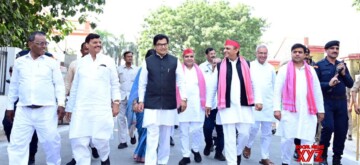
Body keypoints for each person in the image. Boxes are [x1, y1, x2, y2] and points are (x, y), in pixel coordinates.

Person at [6, 31, 65, 165]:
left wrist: (61, 103)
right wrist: (9, 107)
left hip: (47, 110)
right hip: (23, 110)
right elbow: (14, 86)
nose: (44, 46)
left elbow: (59, 85)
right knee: (17, 144)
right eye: (40, 43)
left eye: (46, 43)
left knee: (51, 143)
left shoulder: (51, 63)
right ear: (30, 44)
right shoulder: (19, 62)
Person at [65, 33, 120, 165]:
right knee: (79, 140)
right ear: (87, 45)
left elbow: (115, 83)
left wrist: (116, 102)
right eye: (95, 42)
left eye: (99, 42)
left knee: (100, 139)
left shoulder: (108, 61)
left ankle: (105, 158)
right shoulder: (81, 63)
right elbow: (75, 87)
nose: (98, 45)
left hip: (101, 107)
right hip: (81, 108)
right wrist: (69, 107)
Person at [206, 39, 261, 165]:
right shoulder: (220, 66)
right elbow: (213, 86)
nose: (225, 50)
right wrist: (209, 104)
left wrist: (258, 100)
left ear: (236, 50)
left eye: (228, 48)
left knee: (245, 134)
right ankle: (232, 162)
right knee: (229, 138)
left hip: (244, 106)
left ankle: (237, 153)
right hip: (227, 107)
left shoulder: (247, 64)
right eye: (224, 48)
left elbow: (254, 83)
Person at [137, 34, 187, 165]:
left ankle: (163, 162)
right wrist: (141, 100)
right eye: (160, 44)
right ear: (155, 46)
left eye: (165, 44)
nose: (163, 47)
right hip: (151, 104)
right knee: (152, 136)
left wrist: (184, 99)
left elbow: (181, 81)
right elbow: (142, 83)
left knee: (165, 137)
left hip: (169, 104)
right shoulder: (148, 61)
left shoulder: (175, 61)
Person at [274, 43, 325, 165]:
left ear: (305, 55)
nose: (297, 54)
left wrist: (321, 110)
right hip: (289, 111)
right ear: (291, 53)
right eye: (295, 51)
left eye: (300, 52)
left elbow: (317, 91)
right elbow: (277, 90)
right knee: (287, 139)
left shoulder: (311, 71)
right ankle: (285, 162)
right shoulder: (284, 70)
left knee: (308, 139)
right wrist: (276, 109)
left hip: (308, 111)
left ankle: (306, 163)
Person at [315, 40, 354, 165]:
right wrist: (328, 84)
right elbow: (314, 85)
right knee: (328, 128)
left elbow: (350, 83)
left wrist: (343, 73)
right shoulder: (319, 65)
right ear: (326, 50)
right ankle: (322, 156)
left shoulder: (342, 65)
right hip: (327, 101)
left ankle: (337, 159)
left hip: (341, 102)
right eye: (332, 48)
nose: (335, 50)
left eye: (337, 48)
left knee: (341, 131)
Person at [65, 42, 99, 165]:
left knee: (91, 129)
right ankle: (76, 157)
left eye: (88, 49)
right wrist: (65, 100)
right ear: (81, 51)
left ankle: (93, 146)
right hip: (76, 103)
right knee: (76, 131)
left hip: (92, 103)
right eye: (85, 49)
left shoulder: (99, 64)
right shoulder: (74, 64)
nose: (87, 51)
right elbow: (68, 82)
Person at [243, 45, 276, 165]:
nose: (263, 55)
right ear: (256, 53)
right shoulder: (249, 66)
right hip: (253, 104)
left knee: (267, 132)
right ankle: (248, 145)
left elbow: (274, 86)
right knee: (253, 129)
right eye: (260, 53)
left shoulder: (271, 68)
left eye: (265, 53)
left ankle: (264, 157)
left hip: (268, 104)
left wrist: (276, 105)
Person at [2, 65, 39, 165]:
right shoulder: (13, 80)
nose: (12, 72)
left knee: (33, 129)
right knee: (7, 123)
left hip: (29, 105)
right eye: (10, 71)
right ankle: (17, 146)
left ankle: (31, 156)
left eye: (13, 71)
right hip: (15, 105)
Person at [177, 48, 206, 165]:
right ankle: (186, 155)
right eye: (186, 56)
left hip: (197, 105)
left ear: (194, 58)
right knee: (183, 131)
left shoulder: (200, 71)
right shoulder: (179, 71)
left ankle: (195, 149)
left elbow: (205, 88)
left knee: (197, 130)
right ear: (183, 58)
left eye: (191, 56)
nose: (189, 59)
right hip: (182, 104)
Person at [129, 49, 156, 163]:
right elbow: (136, 89)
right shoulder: (142, 70)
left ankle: (142, 153)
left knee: (150, 129)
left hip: (155, 104)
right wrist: (135, 102)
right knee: (142, 129)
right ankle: (141, 153)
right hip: (141, 104)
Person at [199, 47, 225, 161]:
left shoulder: (223, 66)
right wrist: (214, 70)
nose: (213, 56)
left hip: (222, 103)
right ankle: (208, 144)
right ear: (206, 55)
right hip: (208, 103)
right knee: (207, 127)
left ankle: (219, 152)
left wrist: (217, 68)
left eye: (215, 54)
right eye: (211, 54)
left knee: (221, 129)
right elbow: (204, 84)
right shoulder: (202, 67)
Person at [117, 51, 139, 149]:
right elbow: (114, 83)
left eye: (131, 56)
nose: (130, 58)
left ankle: (132, 135)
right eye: (128, 57)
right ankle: (123, 141)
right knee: (120, 118)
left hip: (132, 98)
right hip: (121, 97)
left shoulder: (137, 70)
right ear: (124, 58)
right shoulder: (119, 69)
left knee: (132, 119)